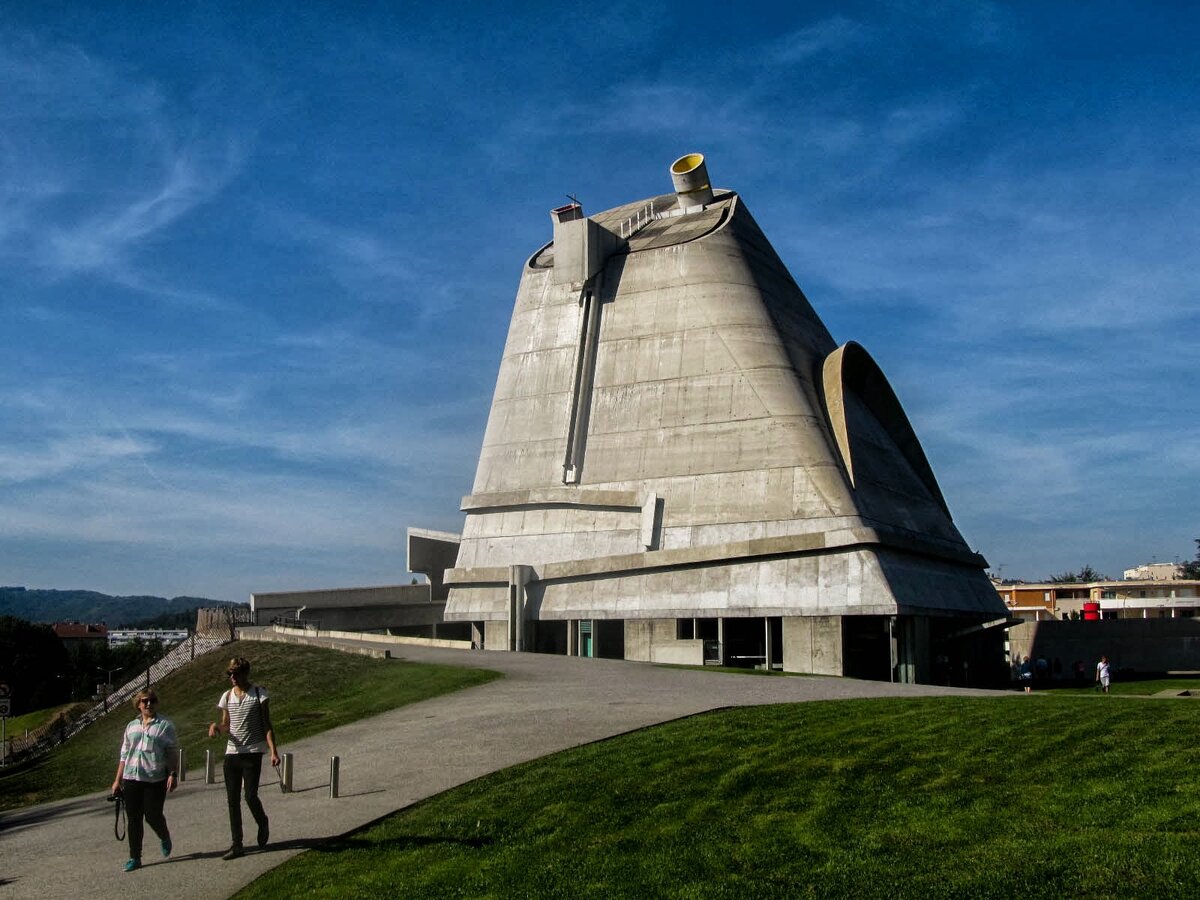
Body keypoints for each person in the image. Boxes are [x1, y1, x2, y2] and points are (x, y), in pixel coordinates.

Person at [208, 656, 280, 860]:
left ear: (245, 673)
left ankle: (262, 821)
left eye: (235, 673)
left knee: (250, 795)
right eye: (229, 674)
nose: (232, 677)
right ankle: (237, 844)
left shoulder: (259, 694)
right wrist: (217, 728)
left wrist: (273, 751)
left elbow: (267, 724)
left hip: (253, 752)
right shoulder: (227, 696)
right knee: (232, 800)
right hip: (233, 753)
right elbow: (226, 724)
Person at [111, 689, 178, 872]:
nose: (149, 704)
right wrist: (118, 780)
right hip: (131, 778)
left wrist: (173, 774)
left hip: (155, 779)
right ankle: (135, 857)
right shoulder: (131, 726)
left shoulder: (165, 725)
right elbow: (124, 754)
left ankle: (164, 835)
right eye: (145, 701)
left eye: (152, 701)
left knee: (152, 815)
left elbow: (172, 751)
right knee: (134, 819)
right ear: (138, 704)